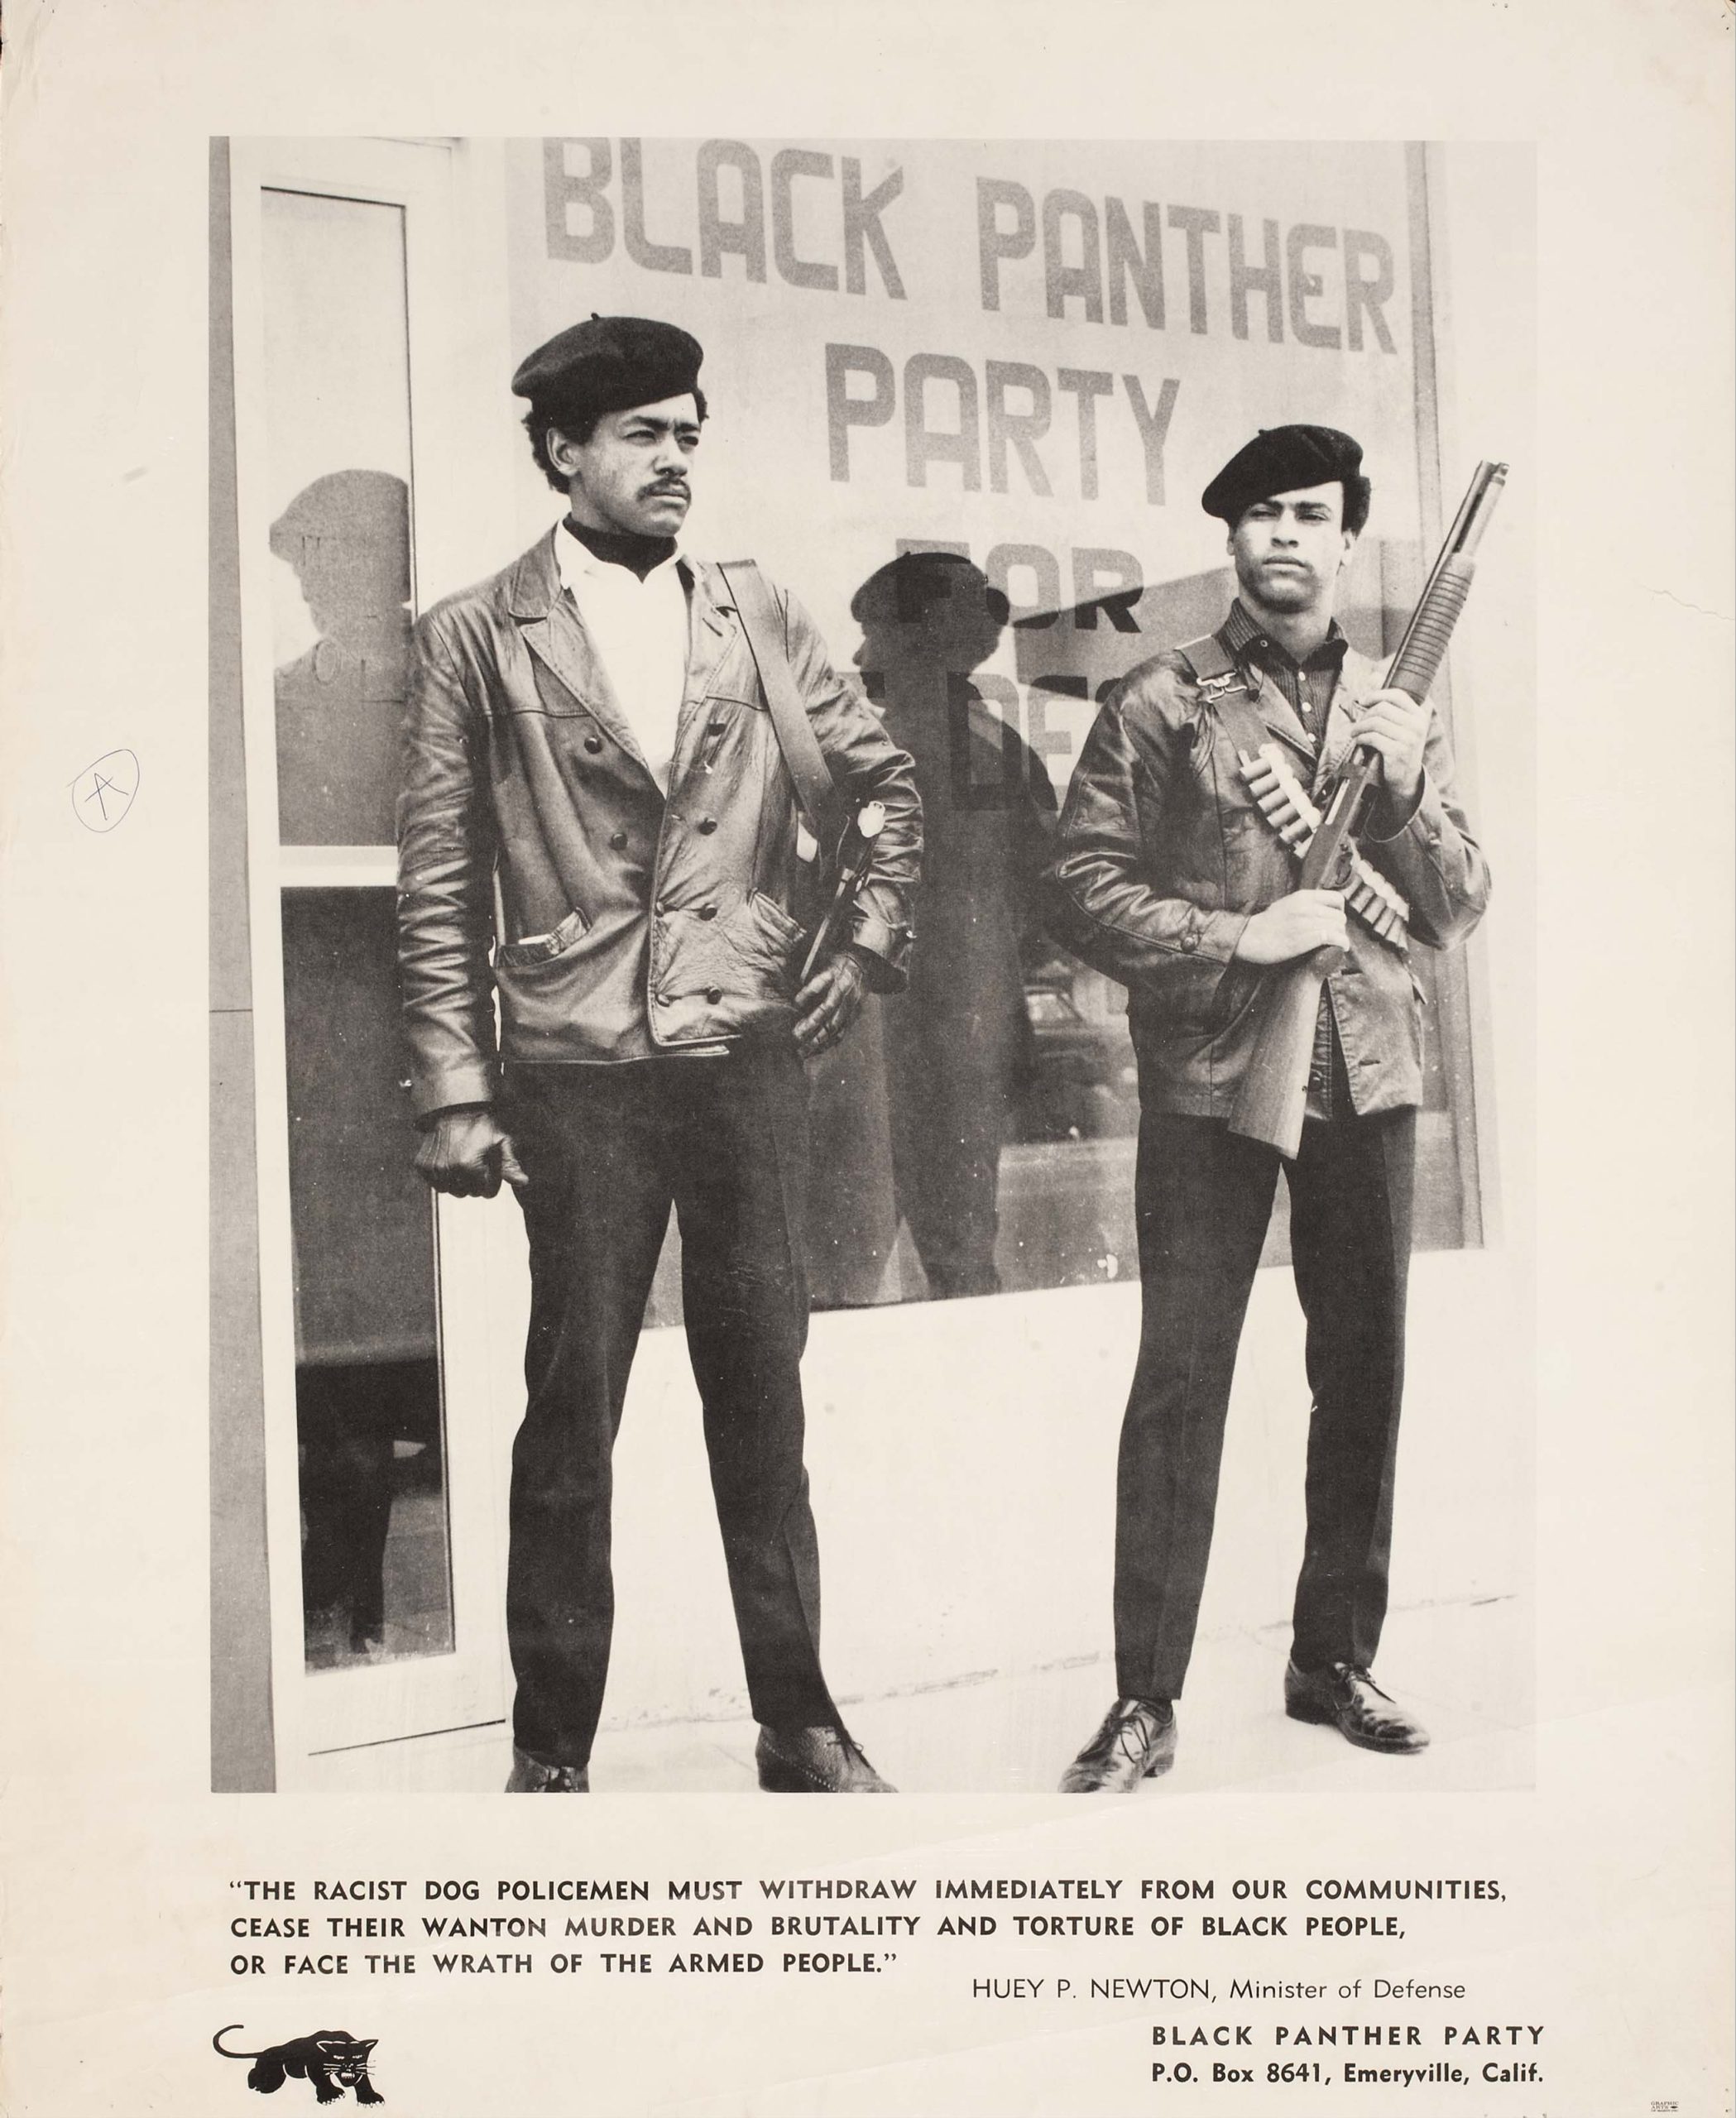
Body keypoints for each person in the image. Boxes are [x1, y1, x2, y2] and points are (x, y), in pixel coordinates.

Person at [396, 315, 921, 1792]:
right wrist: (454, 1086)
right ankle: (551, 1746)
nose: (676, 457)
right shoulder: (471, 636)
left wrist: (866, 938)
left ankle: (798, 1719)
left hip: (744, 1053)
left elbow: (882, 784)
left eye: (689, 432)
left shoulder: (756, 613)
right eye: (644, 433)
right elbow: (438, 882)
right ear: (563, 451)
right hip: (577, 1070)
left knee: (765, 1392)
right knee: (572, 1409)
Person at [1047, 424, 1490, 1790]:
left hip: (1365, 1067)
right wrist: (1230, 938)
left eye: (1309, 514)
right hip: (1209, 1074)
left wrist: (1403, 795)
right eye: (1259, 515)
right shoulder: (1160, 700)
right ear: (1229, 542)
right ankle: (1144, 1697)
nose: (1285, 535)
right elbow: (1076, 883)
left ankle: (1331, 1659)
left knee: (1361, 1373)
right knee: (1179, 1384)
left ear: (1344, 540)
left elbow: (1457, 900)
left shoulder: (1394, 707)